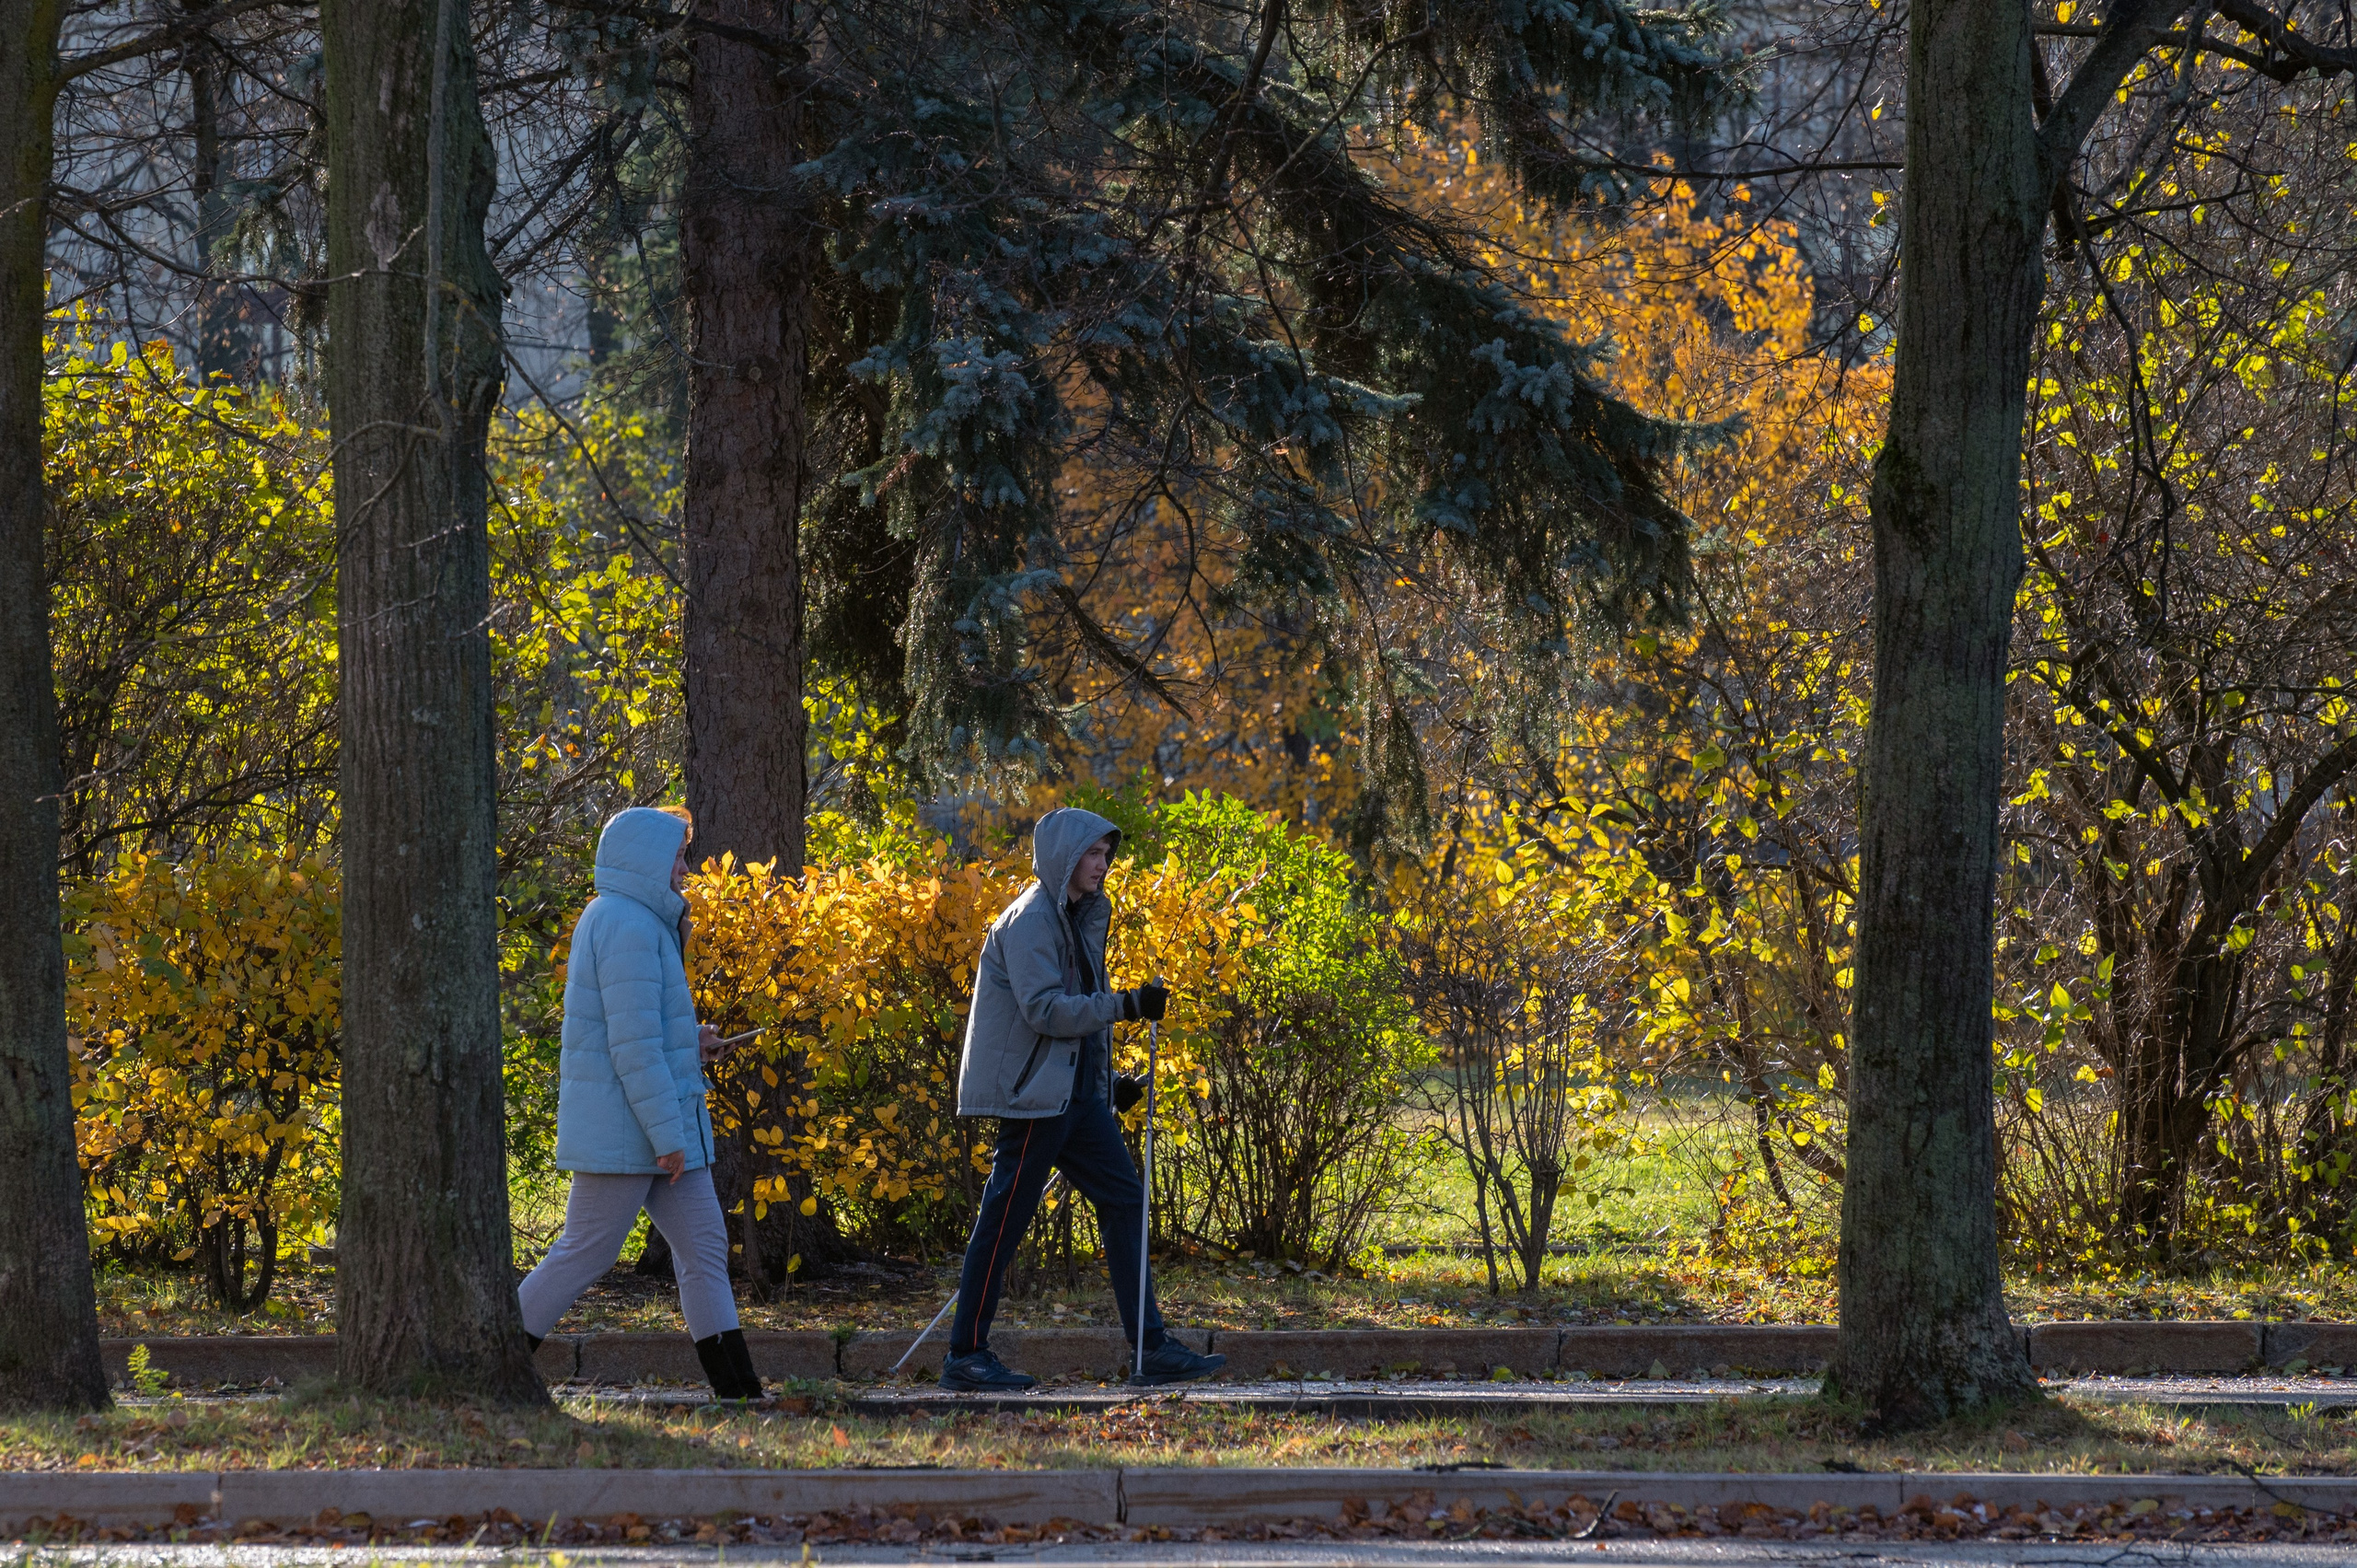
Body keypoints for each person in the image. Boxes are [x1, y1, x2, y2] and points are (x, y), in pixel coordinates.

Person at [940, 806, 1227, 1391]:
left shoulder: (1073, 917)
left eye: (1105, 854)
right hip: (1033, 1103)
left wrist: (1106, 1087)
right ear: (1065, 858)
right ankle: (964, 1356)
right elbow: (1044, 1010)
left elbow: (1074, 1016)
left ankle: (1150, 1348)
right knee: (1002, 1224)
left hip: (1074, 1102)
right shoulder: (1028, 921)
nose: (1103, 865)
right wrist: (1125, 1005)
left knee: (1125, 1198)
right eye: (1093, 854)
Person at [516, 806, 763, 1401]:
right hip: (637, 1133)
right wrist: (668, 1135)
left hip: (653, 1129)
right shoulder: (626, 924)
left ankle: (741, 1393)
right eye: (678, 856)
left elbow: (644, 1032)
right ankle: (488, 1359)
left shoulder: (637, 920)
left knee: (703, 1246)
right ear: (646, 861)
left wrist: (693, 1041)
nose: (685, 868)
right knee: (586, 1251)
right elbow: (631, 1047)